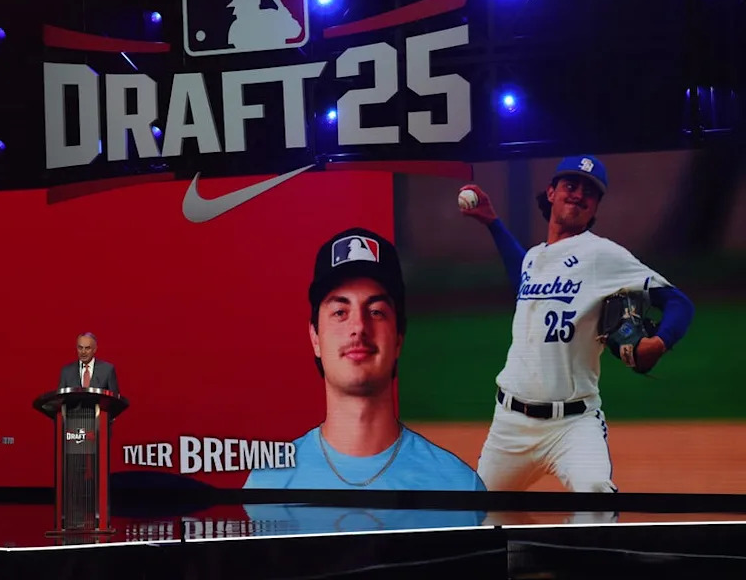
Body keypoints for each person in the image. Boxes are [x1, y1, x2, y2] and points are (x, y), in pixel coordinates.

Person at [459, 154, 695, 493]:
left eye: (590, 192)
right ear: (551, 192)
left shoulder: (602, 255)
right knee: (483, 512)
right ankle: (531, 547)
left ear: (595, 206)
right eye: (571, 186)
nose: (579, 195)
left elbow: (678, 302)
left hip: (573, 424)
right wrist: (493, 222)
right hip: (509, 425)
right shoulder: (536, 257)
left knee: (596, 494)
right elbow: (522, 277)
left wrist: (658, 344)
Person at [243, 227, 485, 491]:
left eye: (376, 311)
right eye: (339, 311)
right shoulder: (267, 485)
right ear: (315, 338)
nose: (358, 326)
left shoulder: (458, 487)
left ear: (398, 339)